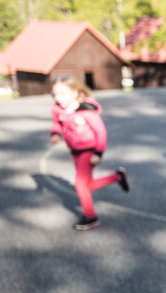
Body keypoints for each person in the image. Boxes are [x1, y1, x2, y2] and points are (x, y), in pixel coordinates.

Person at [50, 75, 130, 231]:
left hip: (89, 151)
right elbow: (57, 123)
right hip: (75, 151)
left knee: (80, 184)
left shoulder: (87, 111)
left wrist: (98, 154)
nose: (58, 98)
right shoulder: (58, 108)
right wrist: (55, 133)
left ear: (75, 92)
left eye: (62, 93)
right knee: (88, 185)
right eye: (55, 94)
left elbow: (101, 132)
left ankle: (90, 216)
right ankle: (118, 177)